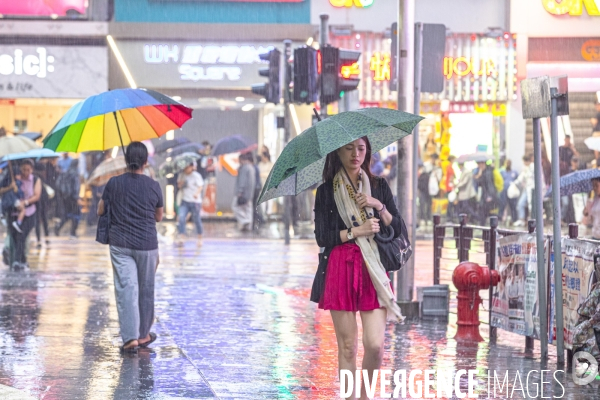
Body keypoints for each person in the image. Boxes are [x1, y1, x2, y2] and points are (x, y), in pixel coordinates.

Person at [311, 137, 404, 399]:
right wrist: (356, 230)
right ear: (338, 151)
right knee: (348, 346)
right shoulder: (326, 191)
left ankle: (364, 396)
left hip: (373, 268)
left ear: (368, 152)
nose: (355, 154)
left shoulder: (379, 186)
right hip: (341, 267)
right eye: (348, 147)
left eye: (360, 148)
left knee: (375, 345)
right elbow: (322, 237)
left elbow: (396, 228)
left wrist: (378, 205)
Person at [97, 142, 163, 353]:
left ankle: (130, 339)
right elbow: (159, 216)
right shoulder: (153, 185)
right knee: (146, 290)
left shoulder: (113, 183)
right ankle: (143, 334)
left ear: (125, 161)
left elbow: (100, 211)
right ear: (145, 162)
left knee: (127, 289)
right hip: (147, 245)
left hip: (121, 244)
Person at [5, 160, 42, 269]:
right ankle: (23, 261)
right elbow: (8, 192)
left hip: (30, 212)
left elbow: (36, 195)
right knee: (15, 237)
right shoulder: (14, 178)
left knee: (22, 235)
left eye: (28, 170)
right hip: (14, 212)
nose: (26, 172)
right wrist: (12, 187)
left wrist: (25, 202)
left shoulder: (35, 180)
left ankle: (16, 261)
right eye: (23, 170)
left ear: (32, 170)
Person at [176, 162, 204, 245]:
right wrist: (181, 184)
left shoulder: (196, 176)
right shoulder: (182, 175)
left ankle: (200, 237)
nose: (185, 169)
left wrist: (196, 193)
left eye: (187, 167)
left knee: (196, 219)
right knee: (181, 217)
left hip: (195, 202)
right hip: (185, 200)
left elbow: (200, 186)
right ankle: (182, 235)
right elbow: (179, 185)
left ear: (191, 167)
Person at [54, 160, 81, 239]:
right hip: (73, 198)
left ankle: (58, 226)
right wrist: (76, 197)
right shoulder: (75, 173)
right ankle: (73, 233)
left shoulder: (66, 172)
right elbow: (76, 186)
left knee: (67, 214)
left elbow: (58, 184)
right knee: (76, 215)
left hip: (65, 198)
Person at [232, 152, 256, 232]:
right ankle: (248, 225)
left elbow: (242, 181)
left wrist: (240, 192)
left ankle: (245, 221)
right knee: (248, 209)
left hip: (242, 193)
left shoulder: (244, 168)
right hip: (250, 193)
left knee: (235, 207)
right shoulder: (251, 168)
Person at [474, 160, 503, 225]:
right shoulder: (484, 172)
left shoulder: (488, 172)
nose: (478, 166)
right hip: (485, 195)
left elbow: (489, 185)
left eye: (479, 164)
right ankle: (486, 226)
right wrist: (479, 175)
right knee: (485, 211)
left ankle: (497, 220)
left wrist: (489, 196)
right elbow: (480, 184)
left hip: (488, 195)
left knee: (485, 211)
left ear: (483, 164)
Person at [513, 154, 535, 227]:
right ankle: (522, 219)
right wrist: (514, 184)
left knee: (531, 205)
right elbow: (521, 178)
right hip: (527, 189)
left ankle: (533, 221)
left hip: (532, 189)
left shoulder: (533, 167)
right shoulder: (526, 168)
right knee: (521, 204)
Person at [34, 162, 50, 247]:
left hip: (38, 202)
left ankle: (39, 239)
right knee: (43, 220)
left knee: (39, 221)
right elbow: (43, 192)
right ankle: (44, 238)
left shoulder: (34, 178)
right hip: (40, 202)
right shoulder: (38, 178)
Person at [499, 159, 519, 225]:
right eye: (507, 163)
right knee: (502, 204)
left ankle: (514, 219)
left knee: (513, 206)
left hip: (511, 192)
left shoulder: (514, 172)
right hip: (504, 190)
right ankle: (499, 219)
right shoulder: (502, 172)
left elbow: (518, 180)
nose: (508, 164)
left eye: (509, 163)